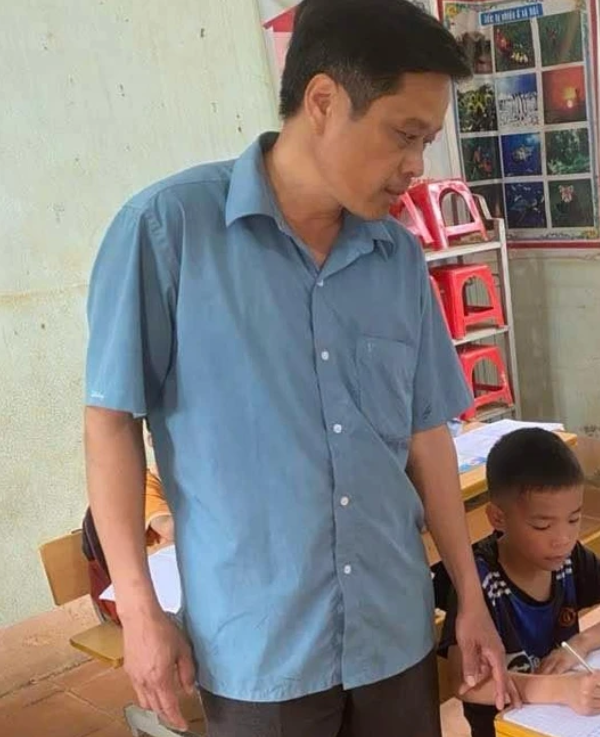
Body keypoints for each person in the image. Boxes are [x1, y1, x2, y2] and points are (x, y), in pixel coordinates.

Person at [83, 1, 510, 734]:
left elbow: (425, 434)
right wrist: (142, 609)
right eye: (404, 135)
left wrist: (469, 596)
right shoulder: (168, 232)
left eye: (427, 141)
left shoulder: (396, 258)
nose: (416, 167)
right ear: (323, 101)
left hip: (393, 634)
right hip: (260, 648)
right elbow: (111, 423)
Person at [434, 428, 600, 737]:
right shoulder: (478, 581)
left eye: (574, 520)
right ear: (498, 518)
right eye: (542, 526)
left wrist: (580, 644)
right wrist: (559, 689)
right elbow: (467, 683)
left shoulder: (570, 560)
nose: (563, 539)